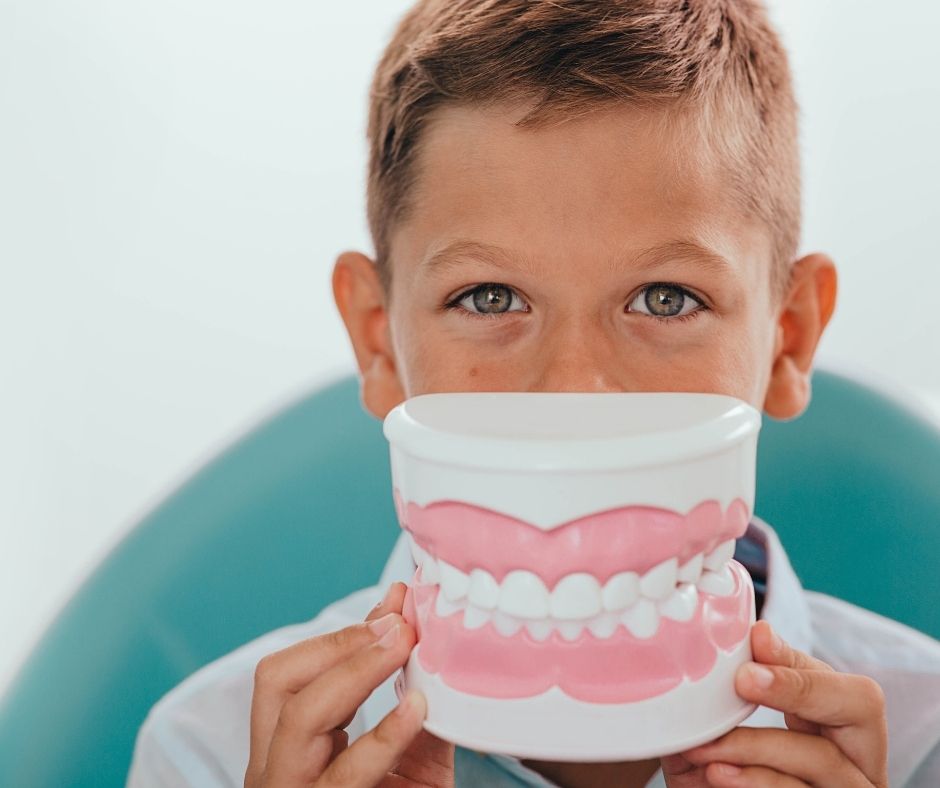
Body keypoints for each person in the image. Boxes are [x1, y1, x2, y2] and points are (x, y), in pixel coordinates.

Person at [127, 1, 940, 785]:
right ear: (378, 339)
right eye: (489, 298)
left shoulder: (922, 745)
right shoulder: (209, 756)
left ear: (788, 338)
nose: (573, 395)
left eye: (665, 298)